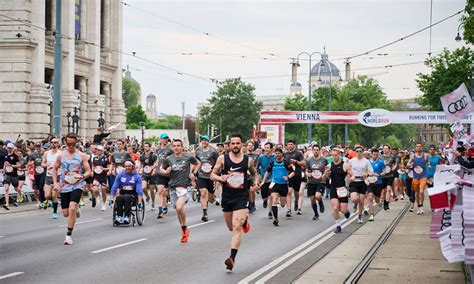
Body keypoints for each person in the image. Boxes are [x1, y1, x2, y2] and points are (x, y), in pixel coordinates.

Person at [211, 133, 258, 271]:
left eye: (238, 143)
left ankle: (231, 259)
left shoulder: (248, 160)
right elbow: (212, 175)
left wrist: (255, 183)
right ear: (229, 145)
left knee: (236, 227)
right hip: (227, 197)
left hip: (241, 196)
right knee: (231, 227)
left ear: (241, 145)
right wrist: (221, 178)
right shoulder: (222, 159)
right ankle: (244, 221)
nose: (235, 146)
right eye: (233, 143)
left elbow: (254, 173)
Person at [52, 133, 92, 245]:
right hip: (64, 186)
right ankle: (76, 208)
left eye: (73, 143)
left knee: (72, 208)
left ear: (76, 143)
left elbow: (89, 171)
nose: (70, 145)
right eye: (68, 143)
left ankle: (68, 236)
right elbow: (54, 169)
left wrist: (83, 176)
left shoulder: (81, 155)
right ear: (65, 143)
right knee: (65, 213)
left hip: (77, 185)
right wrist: (55, 183)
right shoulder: (60, 156)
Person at [160, 139, 200, 243]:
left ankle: (184, 227)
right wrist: (166, 171)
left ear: (182, 147)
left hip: (184, 187)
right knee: (177, 209)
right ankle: (184, 228)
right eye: (174, 146)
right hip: (173, 188)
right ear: (172, 147)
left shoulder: (187, 157)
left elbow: (198, 163)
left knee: (179, 207)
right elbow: (162, 169)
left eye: (178, 146)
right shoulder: (169, 159)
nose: (176, 147)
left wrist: (193, 173)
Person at [262, 148, 294, 226]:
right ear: (274, 154)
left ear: (282, 154)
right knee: (274, 200)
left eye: (279, 153)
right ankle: (275, 219)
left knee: (282, 204)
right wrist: (263, 181)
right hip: (275, 184)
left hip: (283, 185)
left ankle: (283, 201)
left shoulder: (286, 162)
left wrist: (288, 177)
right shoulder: (272, 163)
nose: (277, 155)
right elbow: (267, 172)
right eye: (276, 153)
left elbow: (293, 172)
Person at [327, 148, 353, 233]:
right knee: (335, 208)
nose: (334, 157)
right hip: (333, 188)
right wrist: (325, 174)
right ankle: (338, 226)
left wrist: (351, 178)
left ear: (339, 155)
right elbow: (323, 178)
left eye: (336, 155)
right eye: (332, 155)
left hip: (342, 189)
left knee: (343, 210)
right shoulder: (330, 165)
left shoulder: (345, 165)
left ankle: (346, 212)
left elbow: (352, 175)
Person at [195, 135, 219, 222]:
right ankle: (205, 213)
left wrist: (216, 172)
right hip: (201, 175)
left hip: (211, 176)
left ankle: (213, 197)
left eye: (206, 140)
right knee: (203, 193)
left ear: (208, 141)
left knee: (211, 196)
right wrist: (193, 172)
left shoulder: (213, 151)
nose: (204, 142)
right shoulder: (198, 150)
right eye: (202, 140)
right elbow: (196, 162)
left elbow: (218, 162)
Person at [348, 146, 373, 224]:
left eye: (360, 151)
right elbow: (348, 170)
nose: (359, 153)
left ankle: (359, 216)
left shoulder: (366, 161)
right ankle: (355, 204)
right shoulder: (351, 161)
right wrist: (350, 176)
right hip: (354, 181)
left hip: (362, 181)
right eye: (357, 151)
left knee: (361, 200)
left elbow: (371, 171)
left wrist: (367, 174)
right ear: (355, 152)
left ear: (363, 152)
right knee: (354, 199)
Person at [305, 144, 329, 221]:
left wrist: (324, 174)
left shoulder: (324, 160)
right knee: (312, 199)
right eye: (314, 150)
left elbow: (327, 169)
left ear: (319, 150)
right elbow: (306, 170)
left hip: (320, 181)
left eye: (317, 150)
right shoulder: (309, 160)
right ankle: (316, 214)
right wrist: (307, 174)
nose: (315, 151)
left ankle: (321, 203)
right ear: (312, 150)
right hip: (311, 181)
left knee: (317, 196)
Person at [283, 140, 305, 217]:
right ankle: (289, 210)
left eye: (291, 144)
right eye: (288, 144)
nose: (290, 146)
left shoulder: (298, 153)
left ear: (294, 145)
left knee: (296, 192)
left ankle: (296, 201)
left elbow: (303, 163)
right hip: (289, 175)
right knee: (289, 191)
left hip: (297, 174)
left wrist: (296, 161)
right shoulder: (285, 154)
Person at [407, 143, 430, 215]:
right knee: (416, 193)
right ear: (415, 148)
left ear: (422, 148)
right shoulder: (412, 156)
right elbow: (407, 164)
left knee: (421, 191)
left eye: (420, 146)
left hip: (423, 176)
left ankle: (421, 206)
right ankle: (418, 206)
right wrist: (410, 164)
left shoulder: (426, 155)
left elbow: (428, 162)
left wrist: (429, 165)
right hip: (415, 177)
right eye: (417, 146)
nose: (419, 148)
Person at [41, 139, 61, 217]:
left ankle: (55, 212)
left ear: (58, 144)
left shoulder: (60, 153)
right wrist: (47, 165)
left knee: (54, 195)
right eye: (52, 142)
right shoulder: (46, 153)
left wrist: (55, 166)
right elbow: (43, 164)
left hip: (57, 176)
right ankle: (54, 203)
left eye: (55, 142)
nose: (53, 144)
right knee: (47, 196)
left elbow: (63, 164)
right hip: (48, 175)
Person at [155, 133, 173, 219]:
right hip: (160, 173)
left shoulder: (171, 148)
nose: (165, 140)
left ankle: (165, 205)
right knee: (160, 191)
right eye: (163, 138)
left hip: (169, 173)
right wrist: (155, 167)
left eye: (166, 138)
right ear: (160, 139)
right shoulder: (157, 149)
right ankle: (160, 210)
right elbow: (157, 159)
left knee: (165, 193)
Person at [257, 142, 275, 219]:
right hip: (263, 179)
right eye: (265, 147)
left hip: (272, 178)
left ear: (271, 149)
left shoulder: (274, 157)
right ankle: (265, 201)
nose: (266, 149)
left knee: (271, 196)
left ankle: (270, 212)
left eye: (268, 147)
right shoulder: (261, 157)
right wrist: (258, 176)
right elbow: (257, 167)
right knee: (264, 196)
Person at [2, 143, 21, 210]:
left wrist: (11, 165)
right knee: (6, 188)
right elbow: (5, 163)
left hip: (14, 175)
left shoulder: (15, 156)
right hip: (7, 175)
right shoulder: (5, 155)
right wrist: (3, 169)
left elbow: (19, 165)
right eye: (8, 148)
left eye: (10, 148)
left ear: (12, 148)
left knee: (16, 189)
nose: (9, 149)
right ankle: (7, 204)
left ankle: (20, 192)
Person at [139, 142, 158, 211]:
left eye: (147, 146)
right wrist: (139, 171)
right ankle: (147, 197)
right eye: (144, 146)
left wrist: (154, 170)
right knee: (143, 187)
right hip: (144, 172)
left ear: (149, 147)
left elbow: (156, 163)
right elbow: (141, 164)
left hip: (152, 173)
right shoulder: (142, 156)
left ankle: (153, 203)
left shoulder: (153, 156)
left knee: (152, 190)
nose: (145, 147)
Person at [367, 148, 384, 221]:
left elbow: (384, 172)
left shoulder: (380, 162)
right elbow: (364, 171)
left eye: (376, 155)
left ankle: (379, 202)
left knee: (377, 200)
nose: (375, 156)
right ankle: (371, 215)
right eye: (374, 154)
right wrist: (367, 174)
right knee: (370, 197)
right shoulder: (367, 162)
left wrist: (379, 174)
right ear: (371, 154)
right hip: (370, 183)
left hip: (378, 183)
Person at [92, 145, 110, 211]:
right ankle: (97, 195)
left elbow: (109, 167)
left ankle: (104, 204)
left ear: (102, 151)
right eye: (96, 150)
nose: (97, 151)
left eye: (99, 150)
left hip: (103, 177)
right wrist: (92, 171)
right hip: (96, 176)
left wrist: (104, 169)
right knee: (94, 190)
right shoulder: (94, 158)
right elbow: (93, 166)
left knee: (104, 191)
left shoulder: (106, 158)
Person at [379, 144, 396, 211]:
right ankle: (382, 200)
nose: (385, 149)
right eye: (384, 148)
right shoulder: (380, 157)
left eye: (386, 148)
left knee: (388, 189)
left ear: (389, 150)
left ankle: (386, 204)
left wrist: (393, 168)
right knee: (383, 191)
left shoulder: (392, 157)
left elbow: (395, 164)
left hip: (390, 175)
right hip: (383, 176)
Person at [29, 143, 46, 207]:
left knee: (41, 187)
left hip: (43, 172)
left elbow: (47, 161)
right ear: (35, 147)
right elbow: (29, 163)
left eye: (39, 147)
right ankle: (41, 201)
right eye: (37, 147)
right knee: (38, 188)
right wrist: (31, 163)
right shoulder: (33, 155)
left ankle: (43, 201)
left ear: (41, 147)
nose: (38, 148)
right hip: (36, 173)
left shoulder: (44, 154)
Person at [246, 140, 260, 214]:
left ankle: (252, 204)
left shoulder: (257, 155)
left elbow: (258, 166)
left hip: (253, 175)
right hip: (245, 176)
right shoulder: (244, 155)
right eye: (249, 145)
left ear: (253, 147)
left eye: (251, 145)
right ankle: (249, 202)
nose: (250, 147)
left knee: (252, 190)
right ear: (246, 146)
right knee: (247, 191)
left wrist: (257, 176)